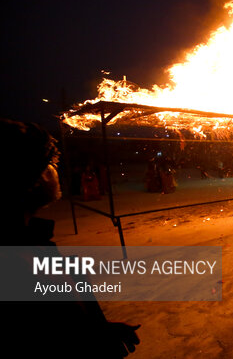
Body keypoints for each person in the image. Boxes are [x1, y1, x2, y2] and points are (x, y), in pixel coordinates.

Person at [0, 118, 141, 357]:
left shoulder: (30, 242)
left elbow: (64, 323)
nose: (55, 172)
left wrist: (98, 329)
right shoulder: (17, 262)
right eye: (49, 165)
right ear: (28, 179)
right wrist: (94, 339)